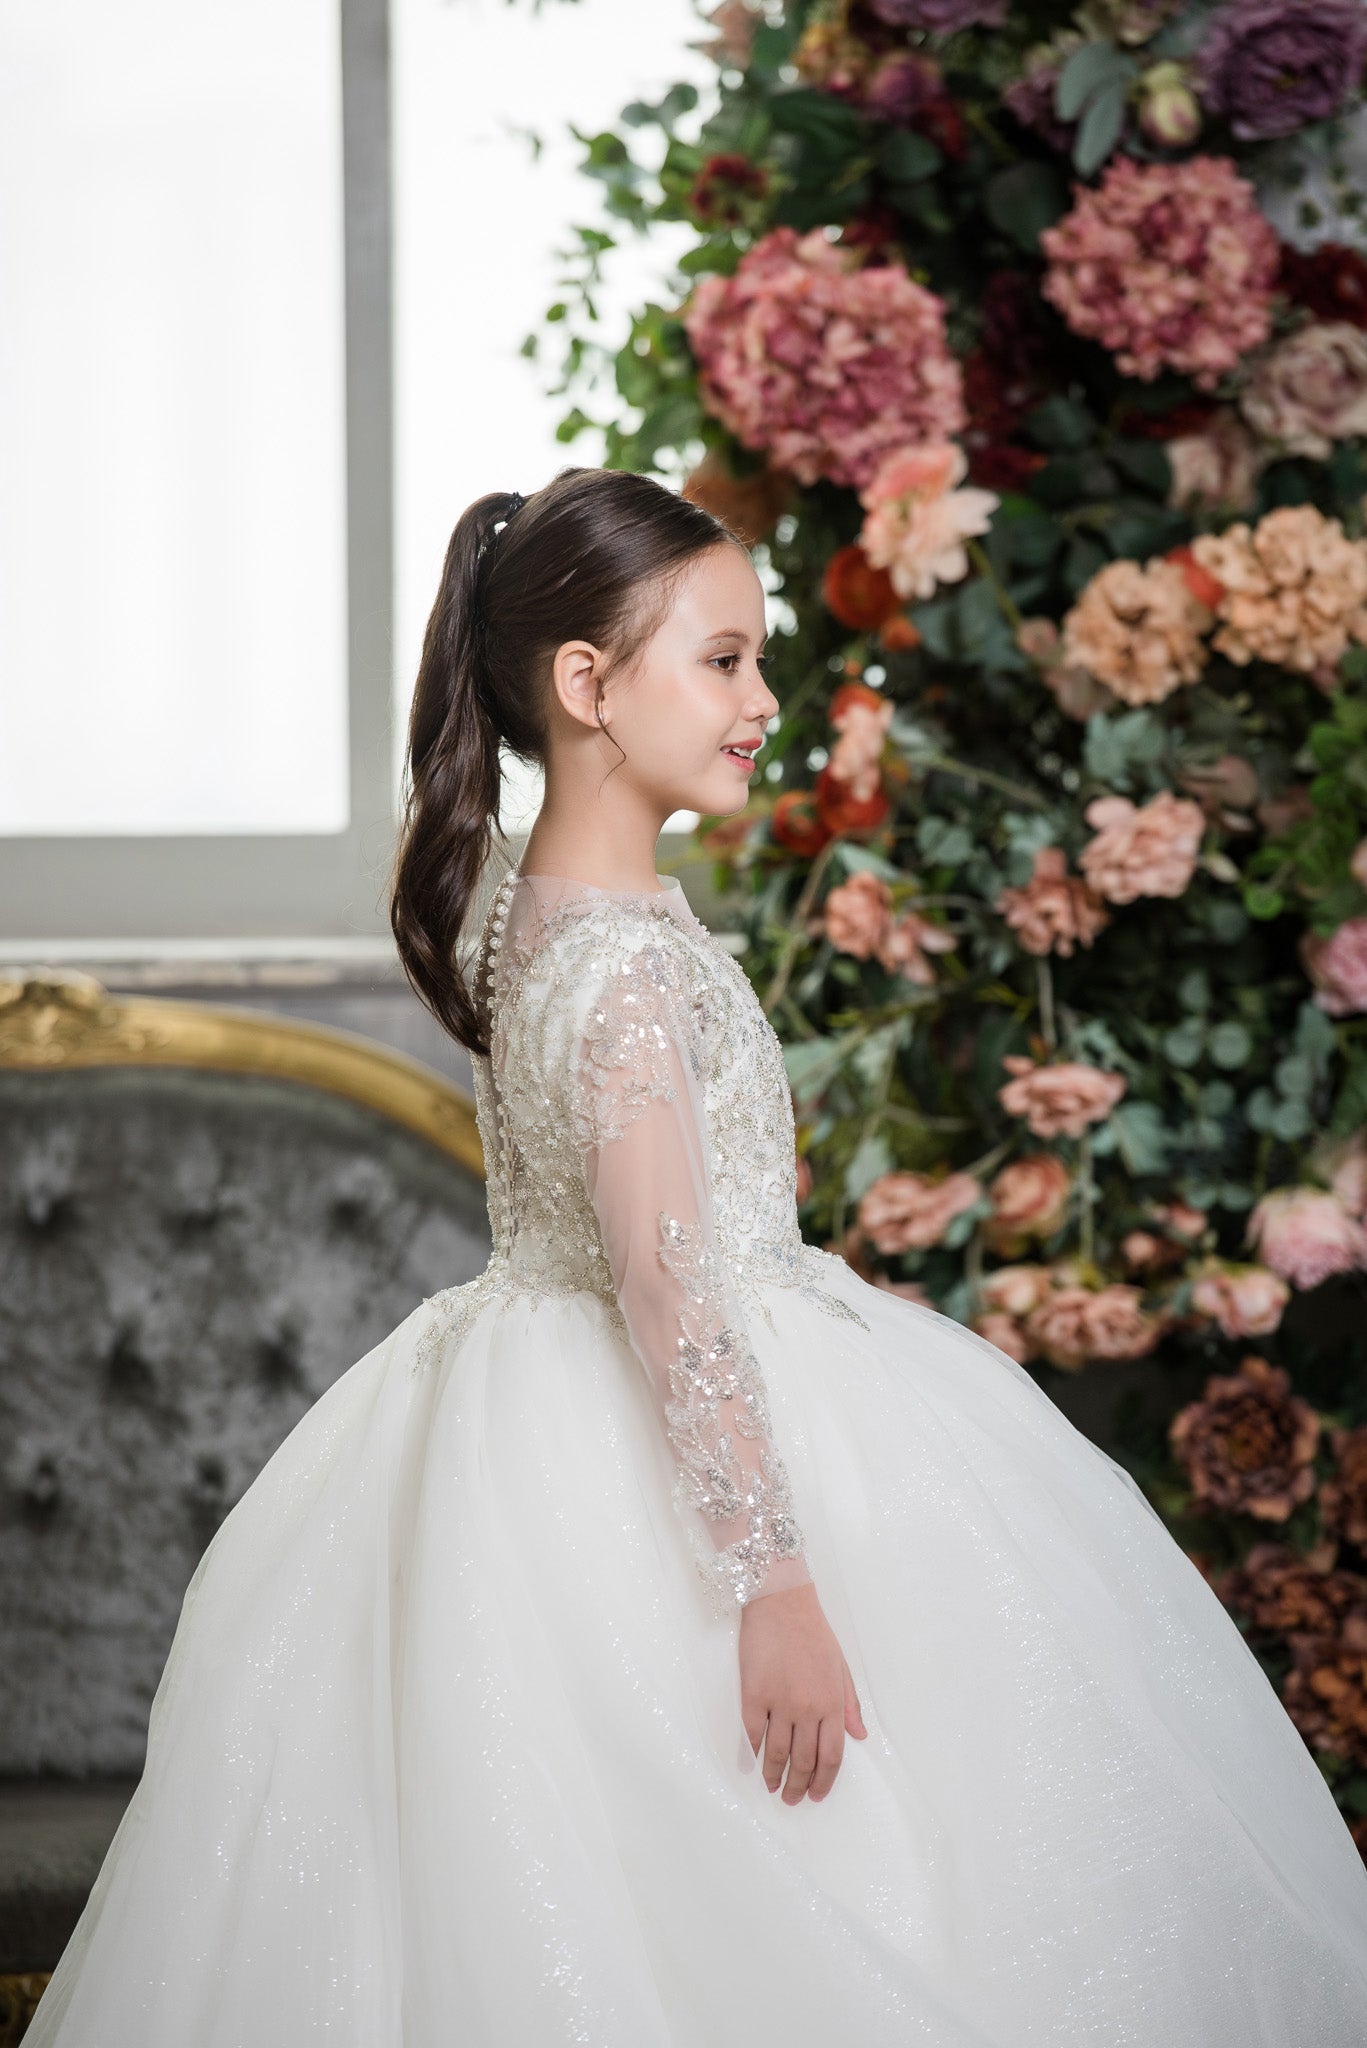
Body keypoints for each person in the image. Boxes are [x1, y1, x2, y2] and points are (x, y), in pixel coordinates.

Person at [26, 466, 1367, 2046]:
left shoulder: (549, 918)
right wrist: (774, 1583)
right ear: (585, 685)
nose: (762, 700)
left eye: (760, 657)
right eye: (723, 660)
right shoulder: (612, 970)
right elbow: (664, 1284)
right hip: (663, 1426)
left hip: (576, 1378)